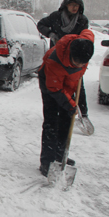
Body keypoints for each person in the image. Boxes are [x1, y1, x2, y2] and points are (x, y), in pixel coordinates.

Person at [38, 29, 95, 177]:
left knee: (66, 121)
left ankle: (60, 156)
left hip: (67, 83)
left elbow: (87, 32)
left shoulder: (84, 48)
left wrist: (80, 106)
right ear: (70, 54)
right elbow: (55, 89)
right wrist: (71, 105)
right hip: (50, 85)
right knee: (52, 122)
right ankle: (47, 161)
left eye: (83, 63)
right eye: (77, 63)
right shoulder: (54, 60)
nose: (80, 65)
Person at [37, 0, 92, 125]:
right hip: (56, 56)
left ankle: (82, 113)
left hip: (74, 59)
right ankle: (59, 110)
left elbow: (84, 39)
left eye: (77, 5)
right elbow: (41, 25)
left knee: (77, 85)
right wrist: (51, 33)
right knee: (56, 86)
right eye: (72, 5)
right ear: (65, 5)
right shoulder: (56, 16)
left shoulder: (82, 20)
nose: (75, 8)